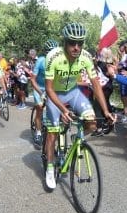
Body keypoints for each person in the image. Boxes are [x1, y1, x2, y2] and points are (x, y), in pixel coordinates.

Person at [44, 22, 115, 189]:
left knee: (91, 123)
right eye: (72, 43)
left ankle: (76, 143)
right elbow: (48, 88)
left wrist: (106, 111)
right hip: (55, 94)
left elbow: (96, 84)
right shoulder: (53, 57)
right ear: (64, 42)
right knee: (52, 133)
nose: (76, 47)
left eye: (80, 43)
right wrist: (63, 109)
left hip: (73, 92)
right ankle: (49, 167)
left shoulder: (86, 57)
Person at [30, 39, 59, 147]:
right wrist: (40, 92)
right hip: (39, 87)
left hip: (50, 88)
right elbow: (32, 79)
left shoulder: (59, 61)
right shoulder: (41, 61)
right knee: (40, 107)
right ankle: (38, 132)